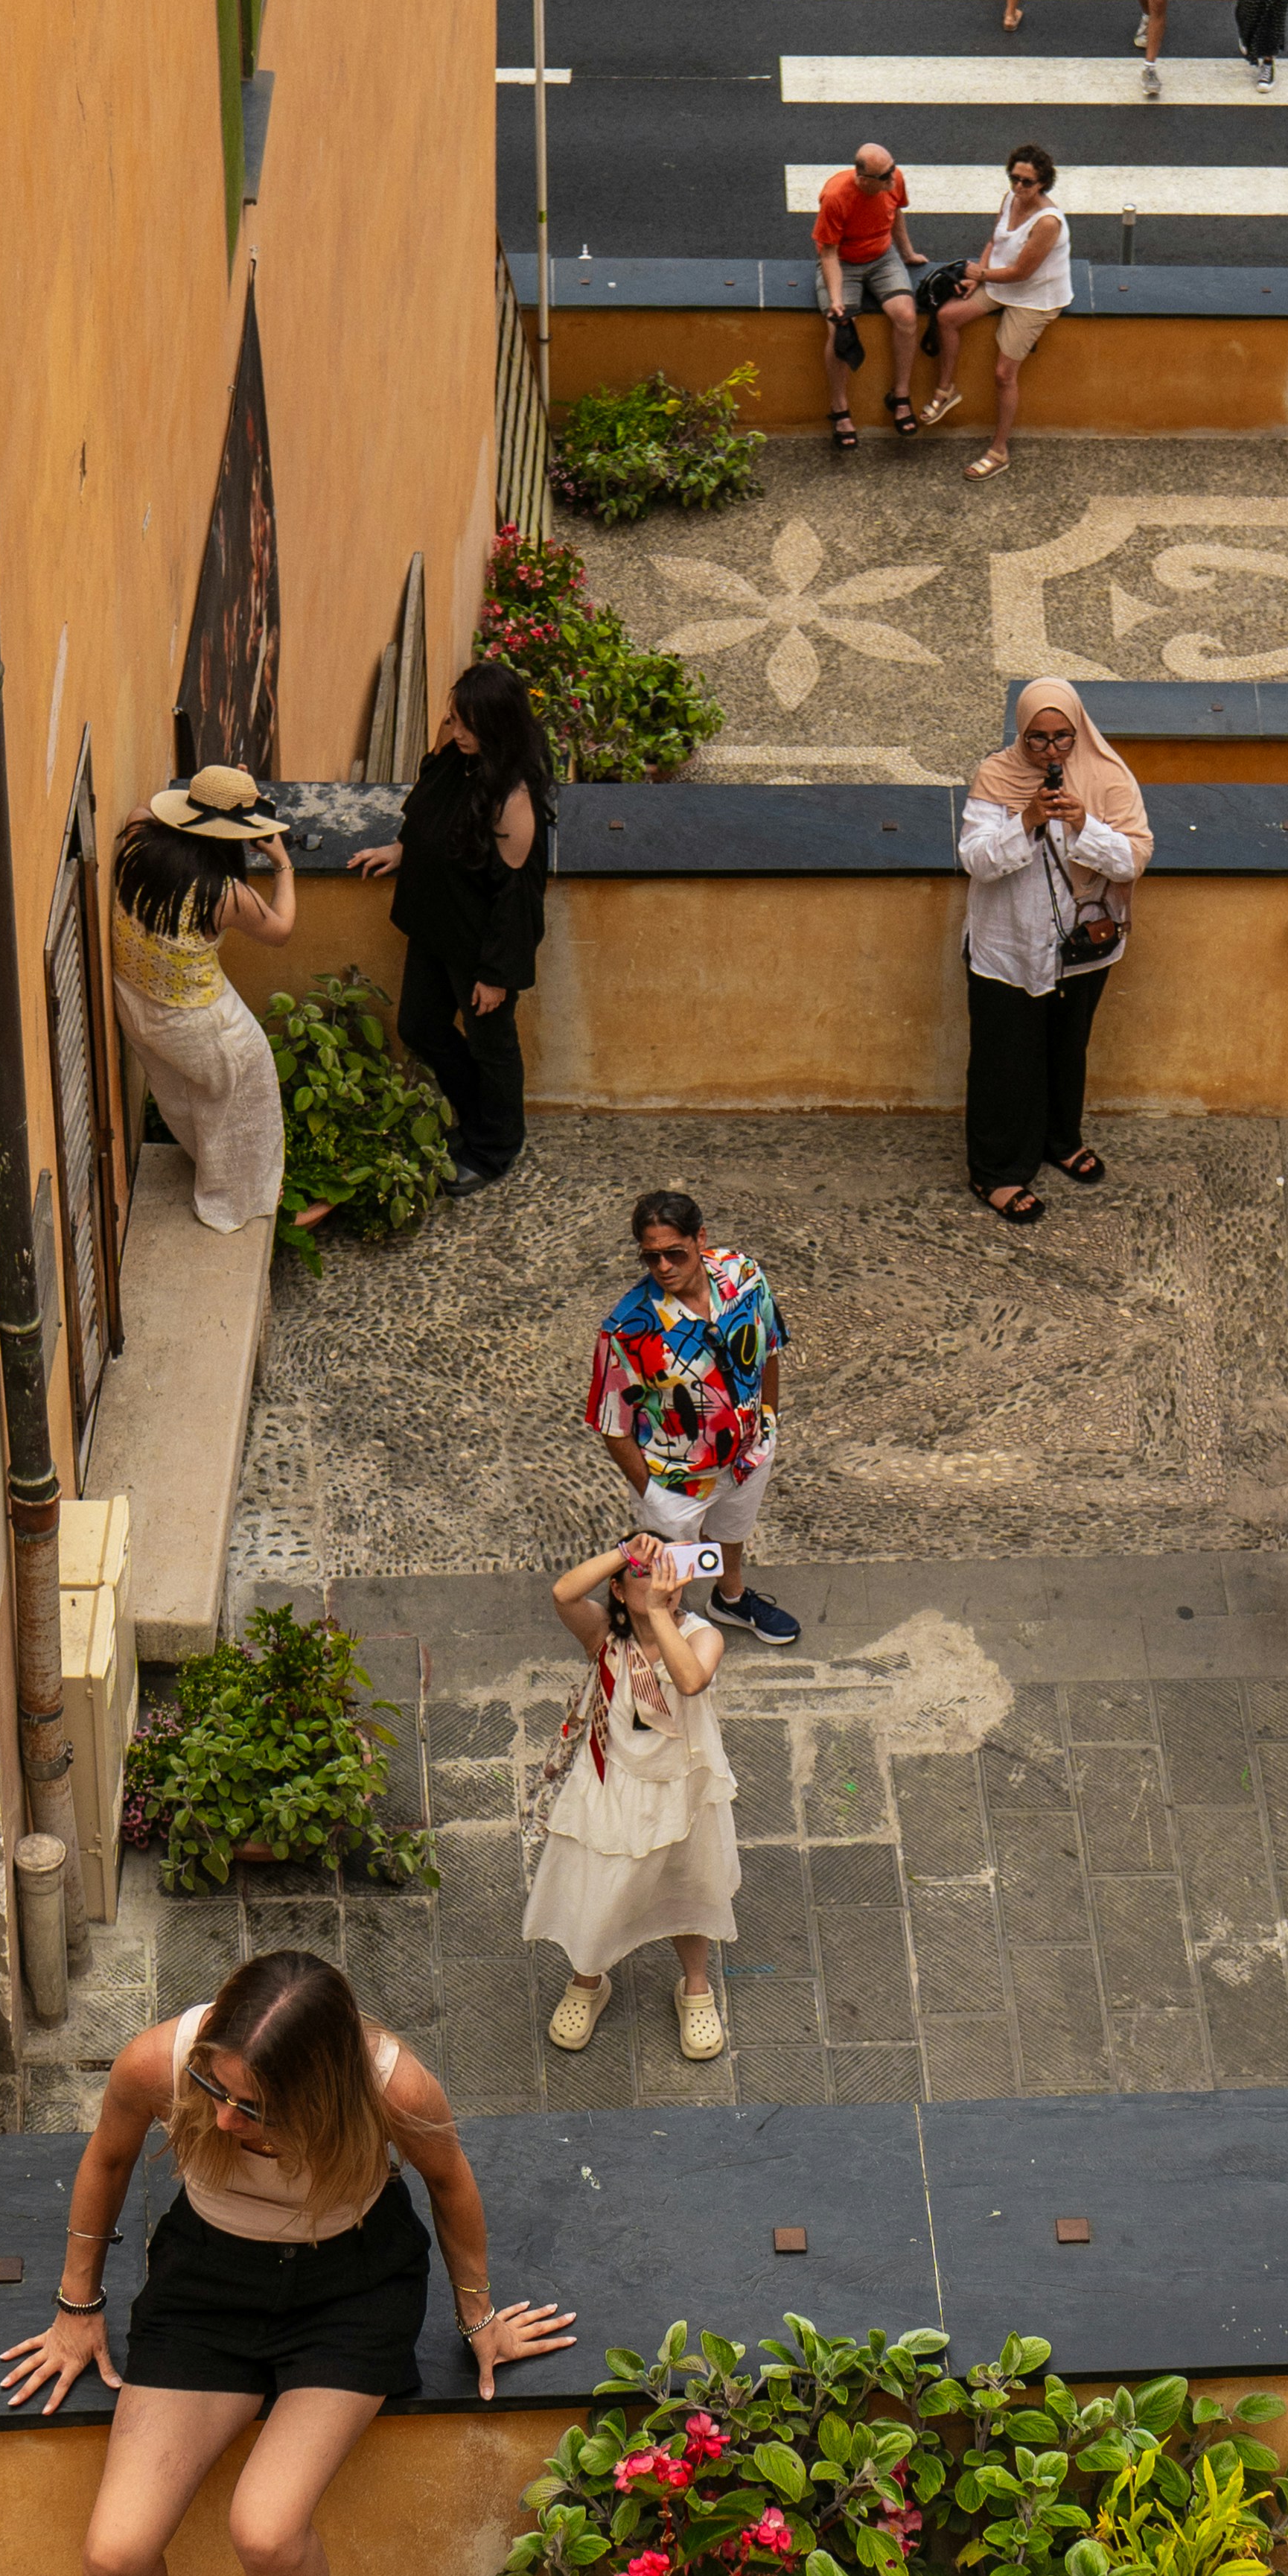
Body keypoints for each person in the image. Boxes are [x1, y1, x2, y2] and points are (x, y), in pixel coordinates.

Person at [4, 1951, 578, 2576]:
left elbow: (451, 2184)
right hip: (207, 2291)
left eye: (256, 2107)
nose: (226, 2118)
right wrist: (77, 2306)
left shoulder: (396, 2089)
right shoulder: (160, 2060)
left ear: (321, 2087)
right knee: (115, 2557)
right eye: (216, 2092)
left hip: (350, 2292)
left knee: (266, 2529)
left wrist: (480, 2321)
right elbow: (109, 2156)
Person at [344, 661, 552, 1192]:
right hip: (435, 926)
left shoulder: (513, 798)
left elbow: (516, 898)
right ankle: (476, 1119)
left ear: (498, 726)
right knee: (419, 1026)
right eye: (454, 718)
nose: (454, 731)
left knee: (491, 1045)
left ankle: (494, 1148)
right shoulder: (459, 756)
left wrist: (496, 974)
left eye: (467, 724)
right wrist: (401, 849)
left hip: (478, 948)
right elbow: (429, 810)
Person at [531, 1537, 741, 2064]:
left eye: (668, 1571)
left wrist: (658, 1612)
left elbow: (690, 1680)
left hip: (682, 1788)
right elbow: (562, 1592)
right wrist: (625, 1549)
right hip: (613, 1786)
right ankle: (588, 1979)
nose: (662, 1581)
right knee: (600, 1889)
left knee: (690, 1885)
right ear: (619, 1590)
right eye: (645, 1573)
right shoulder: (604, 1635)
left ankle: (695, 1986)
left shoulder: (701, 1635)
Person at [958, 678, 1150, 1220]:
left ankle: (1060, 1140)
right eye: (1037, 739)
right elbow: (977, 859)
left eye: (1061, 737)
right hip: (1008, 948)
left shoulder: (1108, 777)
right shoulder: (998, 775)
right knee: (1004, 1061)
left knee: (1068, 1050)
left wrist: (1081, 822)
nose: (1050, 751)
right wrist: (1028, 819)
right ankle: (995, 1171)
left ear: (1077, 729)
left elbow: (1132, 858)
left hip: (1081, 949)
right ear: (1021, 734)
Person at [586, 1186, 800, 1640]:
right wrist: (652, 1495)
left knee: (732, 1531)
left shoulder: (745, 1277)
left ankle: (731, 1599)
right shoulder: (626, 1329)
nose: (663, 1267)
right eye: (651, 1257)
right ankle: (667, 1640)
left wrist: (767, 1425)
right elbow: (611, 1424)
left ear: (701, 1239)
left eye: (675, 1254)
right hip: (674, 1481)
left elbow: (770, 1349)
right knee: (664, 1575)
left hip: (748, 1455)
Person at [106, 770, 299, 1241]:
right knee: (239, 1096)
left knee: (176, 1093)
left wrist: (220, 798)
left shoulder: (137, 838)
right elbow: (281, 930)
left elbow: (148, 810)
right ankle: (232, 1198)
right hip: (196, 1019)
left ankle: (203, 1160)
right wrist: (282, 864)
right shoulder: (226, 894)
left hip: (134, 1001)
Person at [922, 141, 1070, 478]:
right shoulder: (1011, 200)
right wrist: (979, 277)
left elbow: (1023, 273)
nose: (1019, 187)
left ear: (1043, 183)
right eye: (1014, 178)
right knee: (946, 317)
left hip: (1035, 298)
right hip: (1000, 282)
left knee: (1004, 374)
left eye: (1027, 182)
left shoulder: (1048, 222)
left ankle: (999, 451)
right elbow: (994, 242)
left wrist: (981, 274)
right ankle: (946, 391)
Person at [810, 143, 925, 449]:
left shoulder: (893, 179)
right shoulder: (836, 196)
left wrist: (908, 253)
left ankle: (900, 395)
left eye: (893, 169)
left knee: (906, 316)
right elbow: (829, 253)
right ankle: (840, 409)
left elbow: (896, 215)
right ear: (863, 178)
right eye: (885, 176)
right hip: (843, 262)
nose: (893, 179)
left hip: (882, 257)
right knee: (840, 329)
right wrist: (836, 299)